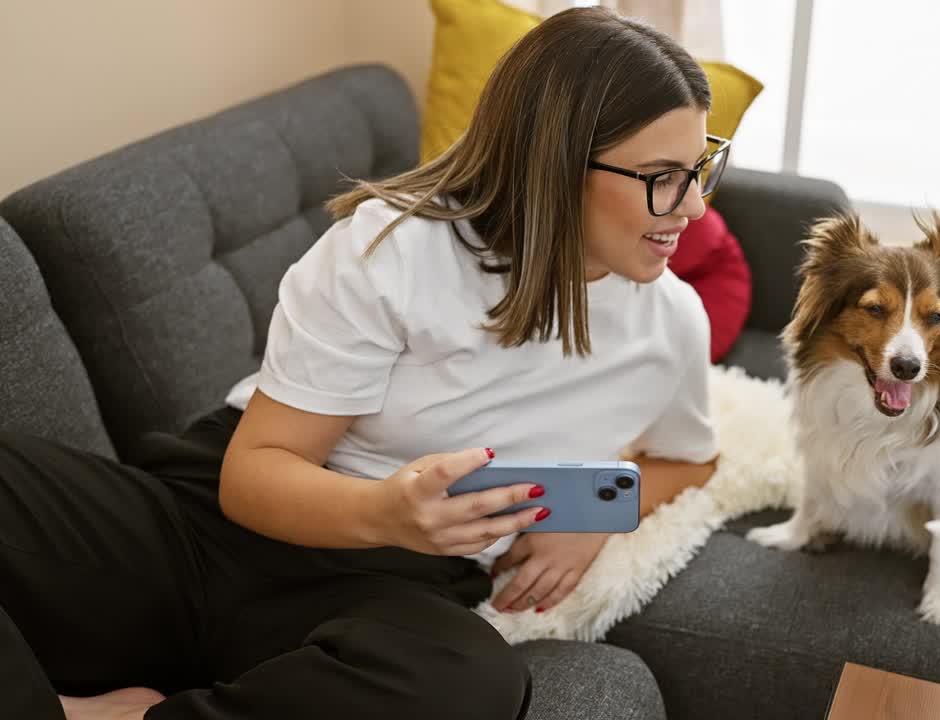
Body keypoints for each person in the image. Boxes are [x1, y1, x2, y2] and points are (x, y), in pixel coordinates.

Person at [0, 6, 727, 720]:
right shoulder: (396, 248)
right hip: (203, 531)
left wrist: (597, 517)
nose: (693, 207)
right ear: (557, 162)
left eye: (700, 167)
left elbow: (691, 460)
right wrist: (386, 510)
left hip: (381, 590)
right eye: (664, 175)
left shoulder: (669, 325)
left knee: (468, 679)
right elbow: (252, 475)